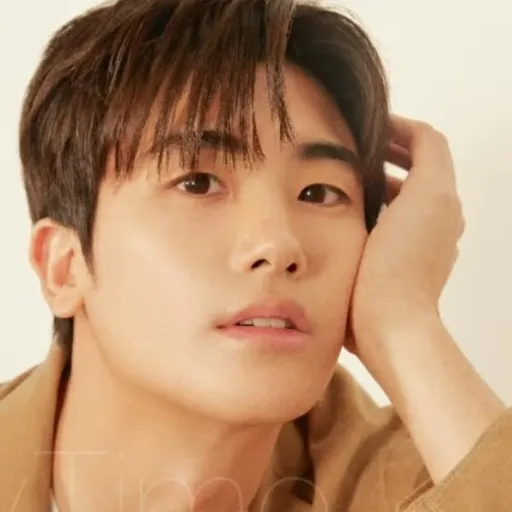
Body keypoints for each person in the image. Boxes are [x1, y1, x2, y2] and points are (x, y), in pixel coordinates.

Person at [0, 0, 510, 510]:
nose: (279, 244)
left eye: (319, 193)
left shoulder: (438, 480)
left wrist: (403, 323)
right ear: (63, 267)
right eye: (198, 183)